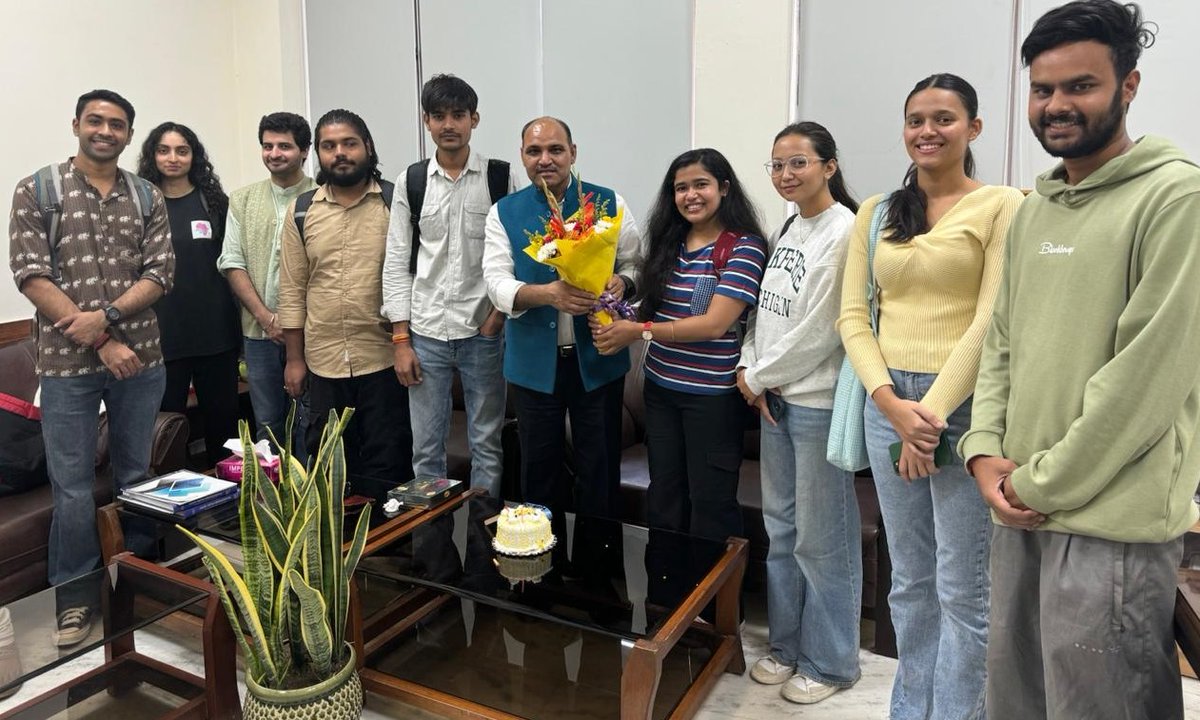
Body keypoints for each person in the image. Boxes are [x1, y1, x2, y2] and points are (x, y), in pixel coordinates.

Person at [961, 2, 1200, 717]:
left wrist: (1041, 481)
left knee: (1101, 705)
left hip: (1108, 524)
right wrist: (981, 450)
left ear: (1127, 86)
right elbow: (1000, 343)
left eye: (1081, 86)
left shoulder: (1175, 198)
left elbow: (1144, 384)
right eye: (1043, 89)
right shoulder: (1037, 208)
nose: (1057, 105)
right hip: (1019, 508)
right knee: (1020, 700)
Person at [836, 74, 1023, 719]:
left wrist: (931, 418)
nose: (927, 131)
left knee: (964, 589)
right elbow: (854, 319)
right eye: (916, 119)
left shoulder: (1002, 205)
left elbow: (991, 319)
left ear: (973, 129)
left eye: (943, 119)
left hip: (963, 411)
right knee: (910, 583)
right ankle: (909, 710)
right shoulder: (877, 212)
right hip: (887, 407)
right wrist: (891, 405)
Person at [8, 89, 174, 646]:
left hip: (142, 360)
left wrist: (102, 317)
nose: (106, 131)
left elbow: (159, 275)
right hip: (65, 367)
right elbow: (30, 275)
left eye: (118, 124)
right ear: (76, 124)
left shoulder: (147, 195)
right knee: (73, 488)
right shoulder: (38, 190)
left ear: (129, 134)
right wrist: (100, 339)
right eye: (96, 121)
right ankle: (75, 599)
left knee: (137, 476)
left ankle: (141, 581)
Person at [736, 122, 861, 704]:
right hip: (775, 402)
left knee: (822, 540)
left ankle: (832, 662)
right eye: (777, 165)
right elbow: (766, 311)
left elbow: (822, 331)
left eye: (799, 163)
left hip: (813, 406)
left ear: (829, 166)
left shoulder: (844, 231)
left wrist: (757, 377)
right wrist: (747, 366)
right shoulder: (791, 225)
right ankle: (785, 648)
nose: (786, 175)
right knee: (780, 532)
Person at [590, 147, 767, 543]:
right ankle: (665, 601)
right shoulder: (671, 242)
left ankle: (713, 605)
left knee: (712, 503)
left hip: (712, 398)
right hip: (661, 391)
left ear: (724, 188)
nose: (690, 195)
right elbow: (653, 308)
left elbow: (714, 324)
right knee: (665, 498)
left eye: (700, 184)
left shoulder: (744, 246)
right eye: (681, 188)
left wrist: (638, 333)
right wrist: (614, 315)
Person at [482, 116, 640, 519]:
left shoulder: (609, 203)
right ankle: (540, 573)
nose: (545, 159)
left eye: (555, 150)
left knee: (600, 471)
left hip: (598, 362)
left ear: (573, 153)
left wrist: (623, 282)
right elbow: (496, 283)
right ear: (522, 157)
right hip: (533, 367)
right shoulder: (504, 212)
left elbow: (637, 264)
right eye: (534, 151)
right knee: (539, 474)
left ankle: (595, 577)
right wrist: (547, 294)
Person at [383, 74, 514, 497]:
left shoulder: (498, 178)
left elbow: (514, 257)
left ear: (474, 119)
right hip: (425, 334)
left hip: (483, 336)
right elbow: (397, 263)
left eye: (458, 114)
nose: (449, 124)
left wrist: (496, 318)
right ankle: (432, 556)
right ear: (426, 121)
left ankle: (482, 545)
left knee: (487, 448)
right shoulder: (412, 181)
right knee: (426, 452)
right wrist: (400, 340)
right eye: (439, 116)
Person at [278, 108, 411, 499]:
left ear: (367, 147)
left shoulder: (393, 203)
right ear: (317, 154)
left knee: (389, 465)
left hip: (384, 359)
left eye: (349, 143)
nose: (340, 152)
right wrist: (294, 359)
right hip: (324, 363)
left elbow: (410, 279)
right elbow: (292, 290)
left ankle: (387, 555)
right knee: (330, 467)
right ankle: (338, 552)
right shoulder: (301, 211)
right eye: (329, 145)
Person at [137, 122, 240, 468]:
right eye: (164, 150)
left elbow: (234, 263)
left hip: (217, 336)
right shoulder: (141, 206)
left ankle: (229, 508)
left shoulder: (214, 203)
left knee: (223, 431)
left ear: (194, 156)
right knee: (166, 434)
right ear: (153, 156)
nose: (173, 158)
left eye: (182, 150)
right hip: (163, 340)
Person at [218, 112, 317, 459]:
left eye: (285, 146)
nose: (275, 153)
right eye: (267, 146)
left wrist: (291, 323)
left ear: (304, 151)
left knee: (310, 423)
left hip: (312, 334)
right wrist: (265, 317)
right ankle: (272, 504)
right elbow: (232, 261)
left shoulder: (321, 197)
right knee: (268, 425)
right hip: (258, 336)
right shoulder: (241, 199)